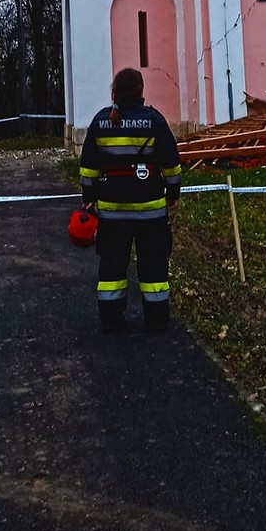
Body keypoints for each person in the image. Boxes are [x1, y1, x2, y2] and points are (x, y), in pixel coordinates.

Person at [79, 68, 182, 333]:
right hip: (151, 215)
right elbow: (171, 165)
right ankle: (157, 321)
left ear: (115, 90)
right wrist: (173, 194)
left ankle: (111, 321)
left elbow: (88, 169)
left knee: (111, 269)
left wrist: (89, 199)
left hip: (113, 215)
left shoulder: (101, 121)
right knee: (154, 269)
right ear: (140, 90)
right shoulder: (154, 120)